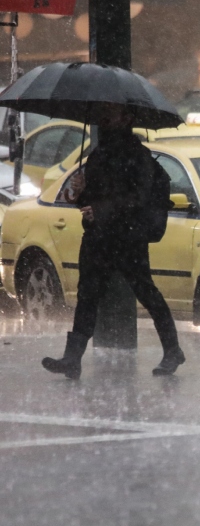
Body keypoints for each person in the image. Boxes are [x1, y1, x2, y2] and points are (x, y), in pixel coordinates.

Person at [42, 103, 184, 379]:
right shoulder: (98, 154)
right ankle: (72, 359)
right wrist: (80, 193)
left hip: (128, 238)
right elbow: (91, 201)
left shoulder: (138, 156)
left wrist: (102, 209)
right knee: (87, 296)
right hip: (98, 238)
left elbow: (138, 198)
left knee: (146, 292)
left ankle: (173, 350)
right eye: (103, 113)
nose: (104, 118)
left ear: (127, 118)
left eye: (111, 113)